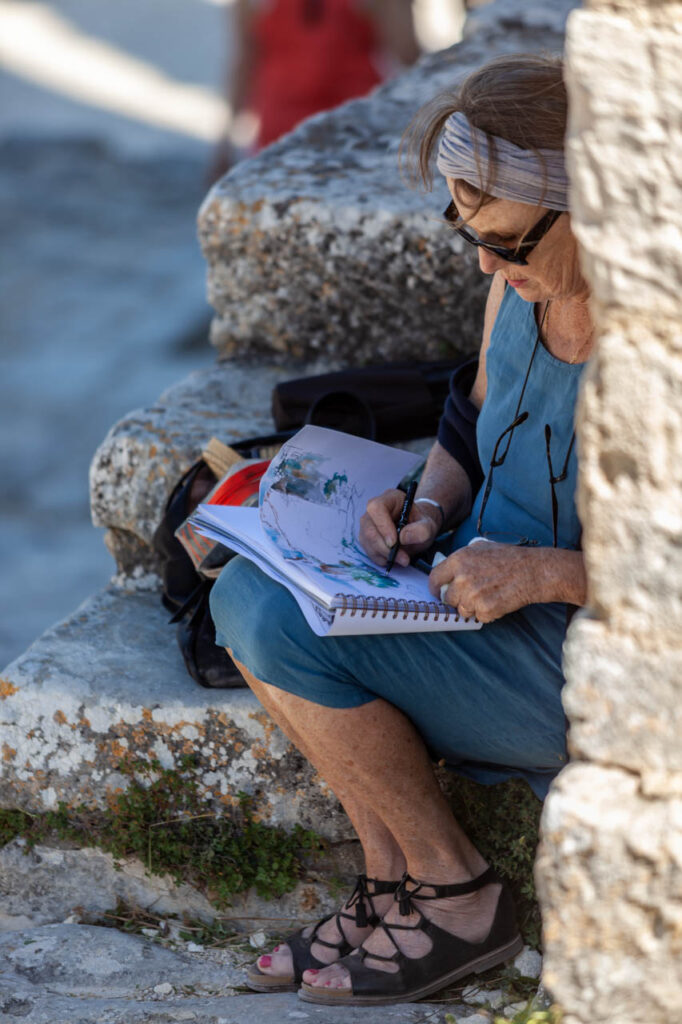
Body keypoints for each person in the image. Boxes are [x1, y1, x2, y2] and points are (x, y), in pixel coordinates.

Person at [209, 52, 592, 1006]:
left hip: (596, 657)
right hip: (478, 597)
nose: (483, 263)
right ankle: (397, 883)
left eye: (504, 241)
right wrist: (428, 502)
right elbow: (473, 417)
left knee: (267, 618)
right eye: (467, 231)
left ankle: (457, 896)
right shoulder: (523, 285)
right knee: (246, 583)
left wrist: (544, 574)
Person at [207, 0, 420, 181]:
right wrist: (225, 139)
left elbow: (408, 53)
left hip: (348, 134)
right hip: (294, 137)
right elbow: (244, 62)